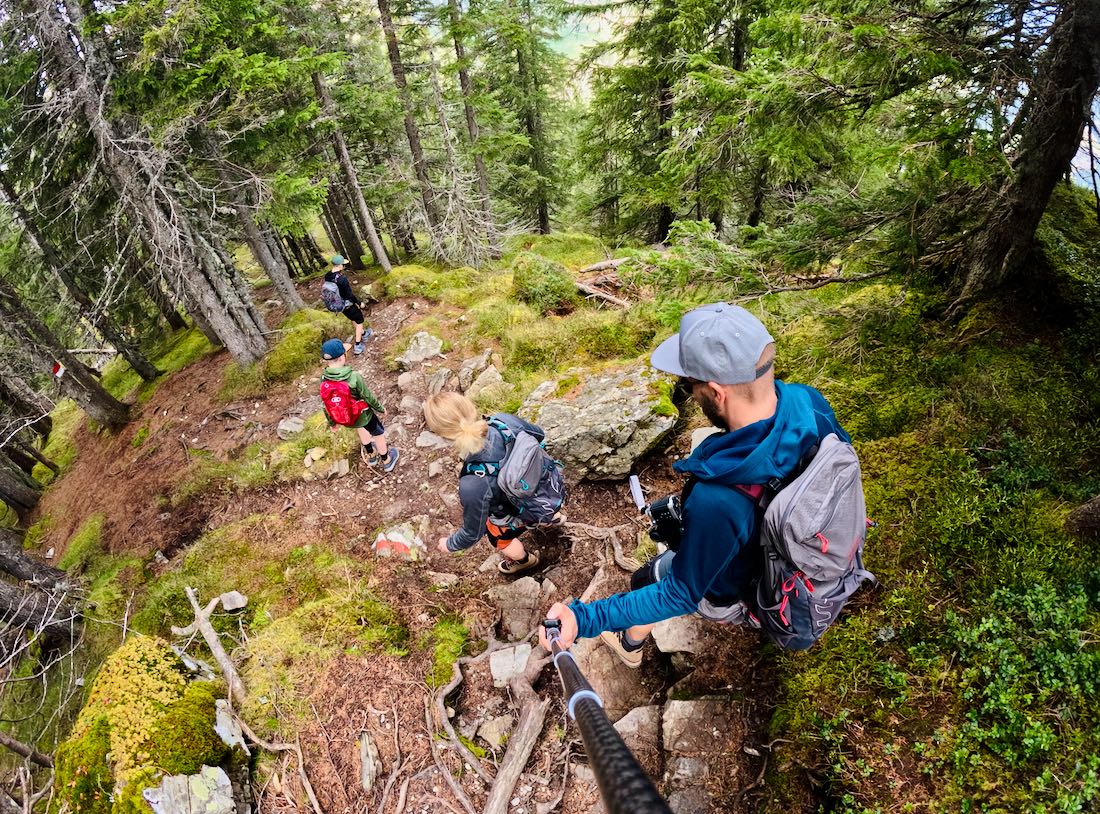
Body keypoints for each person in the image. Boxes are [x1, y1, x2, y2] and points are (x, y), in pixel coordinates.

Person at [539, 302, 849, 666]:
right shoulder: (808, 402)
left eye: (689, 384)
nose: (690, 392)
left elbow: (680, 593)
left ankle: (630, 644)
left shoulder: (720, 498)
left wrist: (583, 618)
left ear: (717, 392)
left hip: (741, 590)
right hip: (813, 557)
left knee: (648, 580)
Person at [425, 392, 551, 576]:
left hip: (519, 511)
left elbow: (473, 532)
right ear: (469, 407)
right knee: (544, 504)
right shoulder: (503, 421)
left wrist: (450, 544)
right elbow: (539, 434)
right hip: (548, 485)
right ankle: (553, 516)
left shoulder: (472, 483)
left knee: (500, 539)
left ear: (443, 435)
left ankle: (525, 561)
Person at [320, 338, 399, 472]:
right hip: (363, 414)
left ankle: (371, 455)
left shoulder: (324, 379)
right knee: (378, 433)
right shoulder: (353, 376)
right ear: (342, 357)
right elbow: (367, 396)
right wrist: (380, 408)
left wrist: (333, 423)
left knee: (360, 428)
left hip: (348, 417)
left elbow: (326, 405)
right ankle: (387, 460)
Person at [324, 255, 372, 355]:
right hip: (347, 304)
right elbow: (349, 295)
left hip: (338, 305)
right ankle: (358, 346)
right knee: (359, 321)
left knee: (353, 319)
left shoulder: (328, 276)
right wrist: (359, 303)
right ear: (340, 265)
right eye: (343, 264)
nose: (344, 266)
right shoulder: (342, 279)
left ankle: (364, 333)